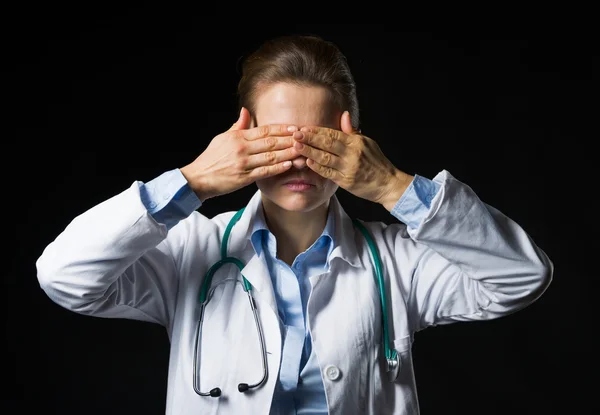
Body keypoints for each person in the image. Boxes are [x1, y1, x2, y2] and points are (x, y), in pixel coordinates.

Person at [36, 34, 553, 415]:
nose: (299, 163)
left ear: (352, 142)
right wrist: (193, 181)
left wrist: (391, 185)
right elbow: (65, 276)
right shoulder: (192, 251)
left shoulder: (397, 262)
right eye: (277, 144)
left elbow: (522, 276)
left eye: (321, 143)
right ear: (243, 137)